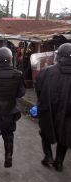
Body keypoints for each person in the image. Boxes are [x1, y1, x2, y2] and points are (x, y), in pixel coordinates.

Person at [35, 43, 71, 172]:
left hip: (48, 108)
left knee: (45, 131)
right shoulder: (47, 70)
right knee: (66, 136)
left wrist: (42, 102)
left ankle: (48, 156)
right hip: (68, 113)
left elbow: (38, 89)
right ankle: (59, 162)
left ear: (59, 56)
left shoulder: (46, 71)